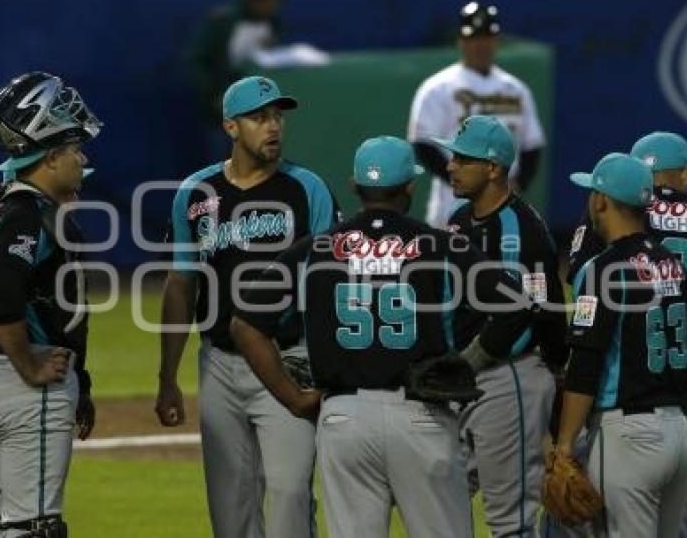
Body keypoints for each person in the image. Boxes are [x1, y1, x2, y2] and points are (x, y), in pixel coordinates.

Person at [230, 135, 537, 538]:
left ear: (355, 186)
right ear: (410, 186)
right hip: (421, 417)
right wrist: (469, 363)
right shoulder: (439, 245)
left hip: (344, 418)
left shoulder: (317, 249)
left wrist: (293, 399)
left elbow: (245, 326)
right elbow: (516, 305)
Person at [155, 75, 339, 538]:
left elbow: (330, 286)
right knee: (230, 510)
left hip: (288, 358)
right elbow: (181, 284)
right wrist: (167, 378)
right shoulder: (196, 193)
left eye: (277, 116)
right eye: (259, 117)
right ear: (231, 127)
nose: (273, 126)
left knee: (291, 494)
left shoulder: (307, 189)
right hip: (219, 366)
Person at [567, 132, 687, 537]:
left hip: (623, 401)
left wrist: (564, 433)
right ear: (684, 176)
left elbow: (585, 300)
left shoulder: (610, 226)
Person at [0, 71, 100, 537]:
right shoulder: (27, 216)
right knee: (34, 528)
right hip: (24, 386)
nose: (82, 160)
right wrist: (28, 364)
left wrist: (80, 380)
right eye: (75, 151)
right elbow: (3, 298)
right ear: (50, 158)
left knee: (2, 527)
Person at [434, 114, 567, 535]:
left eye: (462, 159)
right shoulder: (458, 219)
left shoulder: (523, 229)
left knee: (511, 520)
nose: (450, 166)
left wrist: (557, 374)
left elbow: (539, 309)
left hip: (506, 378)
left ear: (493, 168)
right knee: (439, 503)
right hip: (460, 380)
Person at [554, 152, 687, 536]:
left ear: (600, 200)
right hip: (679, 434)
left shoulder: (602, 269)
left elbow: (586, 362)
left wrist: (565, 445)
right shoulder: (674, 264)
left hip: (629, 437)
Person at [408, 0, 545, 229]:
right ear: (461, 41)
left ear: (496, 40)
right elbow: (423, 145)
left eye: (486, 38)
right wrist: (467, 181)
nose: (480, 45)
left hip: (506, 207)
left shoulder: (516, 89)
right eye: (474, 38)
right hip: (452, 206)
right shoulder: (437, 88)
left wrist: (517, 184)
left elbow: (532, 145)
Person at [187, 0, 284, 129]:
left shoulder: (273, 24)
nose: (269, 9)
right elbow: (195, 59)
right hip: (220, 107)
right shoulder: (222, 21)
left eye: (274, 5)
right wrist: (211, 94)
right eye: (265, 3)